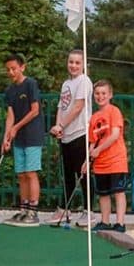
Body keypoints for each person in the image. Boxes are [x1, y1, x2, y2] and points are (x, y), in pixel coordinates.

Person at [47, 50, 95, 226]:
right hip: (66, 135)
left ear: (83, 65)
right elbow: (62, 106)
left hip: (80, 132)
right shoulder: (66, 83)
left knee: (82, 173)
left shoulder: (84, 81)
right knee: (67, 174)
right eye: (71, 62)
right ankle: (65, 208)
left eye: (77, 63)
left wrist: (62, 125)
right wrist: (58, 126)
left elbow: (77, 107)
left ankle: (88, 211)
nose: (73, 66)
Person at [1, 54, 45, 227]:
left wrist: (16, 128)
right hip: (18, 138)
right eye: (8, 69)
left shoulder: (30, 84)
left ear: (22, 67)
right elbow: (10, 115)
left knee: (31, 172)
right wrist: (7, 136)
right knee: (21, 174)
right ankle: (23, 209)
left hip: (32, 135)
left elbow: (35, 110)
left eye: (14, 68)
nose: (11, 72)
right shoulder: (10, 91)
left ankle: (33, 211)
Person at [81, 80, 129, 233]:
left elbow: (114, 135)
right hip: (100, 163)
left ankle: (120, 223)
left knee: (118, 191)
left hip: (116, 160)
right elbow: (92, 142)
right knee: (103, 193)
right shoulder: (94, 117)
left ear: (110, 95)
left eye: (103, 93)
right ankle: (105, 221)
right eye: (97, 94)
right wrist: (87, 160)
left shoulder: (114, 111)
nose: (100, 96)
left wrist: (99, 149)